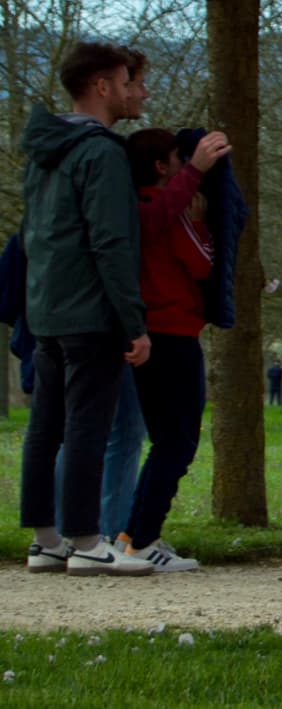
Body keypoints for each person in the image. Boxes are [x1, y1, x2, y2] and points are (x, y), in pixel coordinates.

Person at [16, 42, 155, 575]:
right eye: (125, 81)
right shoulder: (101, 152)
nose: (130, 90)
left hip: (46, 308)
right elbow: (111, 243)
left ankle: (46, 539)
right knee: (86, 429)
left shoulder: (46, 147)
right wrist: (133, 322)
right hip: (90, 313)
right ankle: (87, 541)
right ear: (101, 85)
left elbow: (35, 235)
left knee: (45, 428)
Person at [121, 126, 231, 572]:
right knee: (178, 442)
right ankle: (143, 536)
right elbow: (203, 260)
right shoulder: (169, 210)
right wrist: (205, 220)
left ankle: (135, 534)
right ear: (161, 166)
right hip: (175, 333)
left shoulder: (132, 210)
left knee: (165, 439)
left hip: (151, 332)